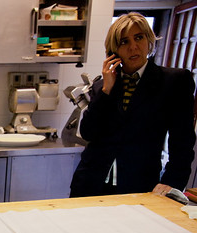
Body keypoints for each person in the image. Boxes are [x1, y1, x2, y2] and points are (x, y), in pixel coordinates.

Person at [70, 12, 195, 198]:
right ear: (114, 50)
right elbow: (88, 133)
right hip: (90, 183)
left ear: (149, 40)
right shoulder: (102, 85)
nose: (133, 47)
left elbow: (182, 141)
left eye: (139, 38)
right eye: (124, 42)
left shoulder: (173, 81)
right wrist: (106, 90)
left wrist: (171, 183)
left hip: (140, 185)